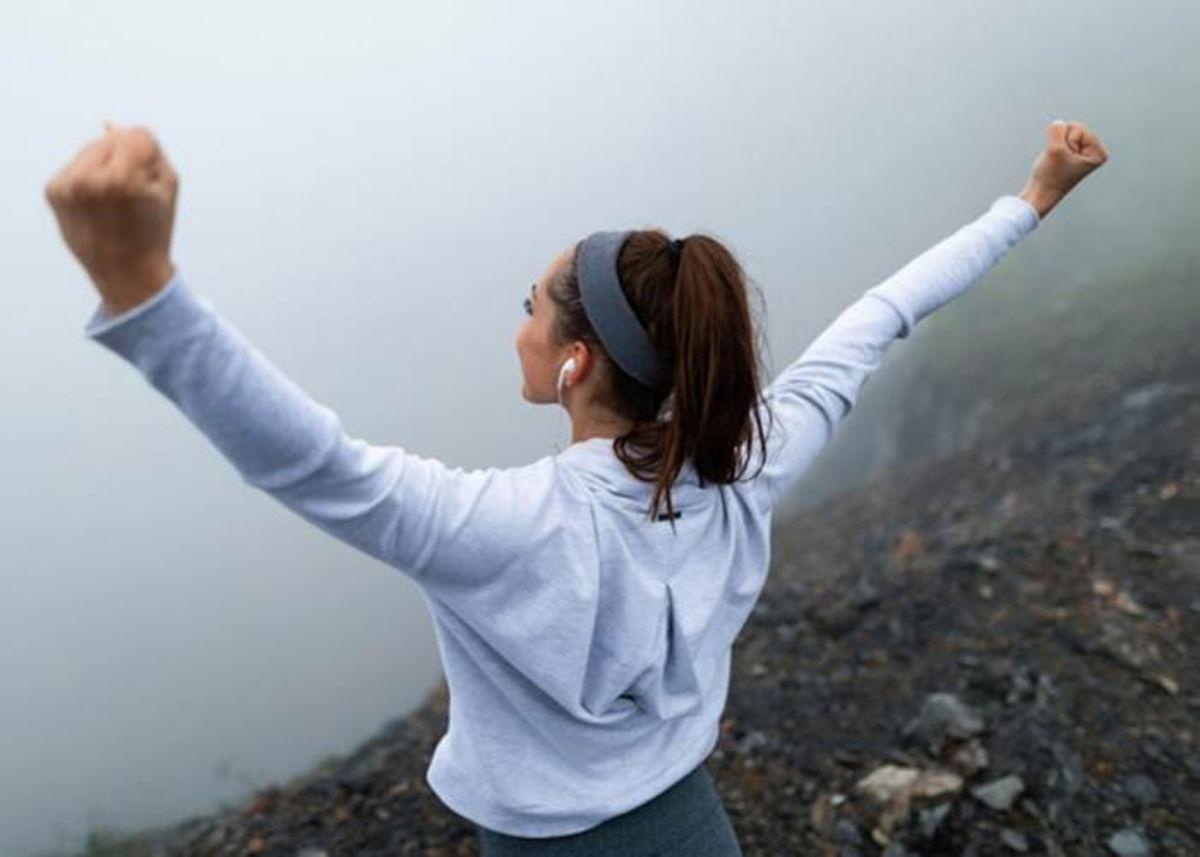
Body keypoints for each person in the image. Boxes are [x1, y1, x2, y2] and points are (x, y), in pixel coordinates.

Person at [45, 118, 1107, 856]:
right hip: (694, 827)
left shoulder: (499, 526)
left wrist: (141, 288)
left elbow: (312, 462)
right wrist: (1034, 200)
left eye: (531, 307)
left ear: (574, 362)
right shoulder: (750, 461)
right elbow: (882, 314)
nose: (517, 325)